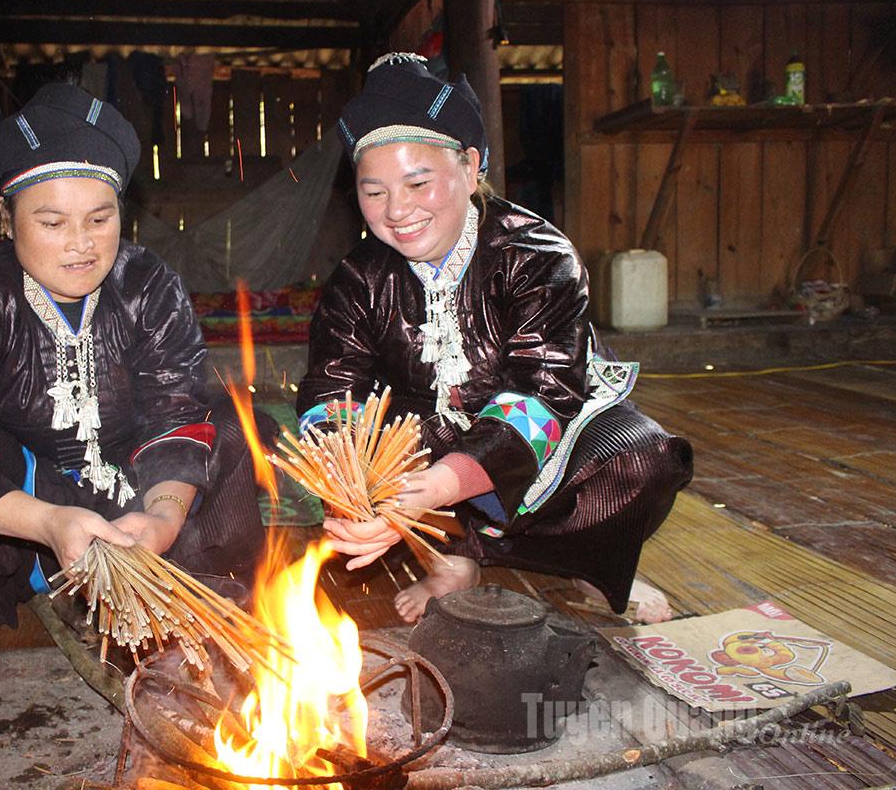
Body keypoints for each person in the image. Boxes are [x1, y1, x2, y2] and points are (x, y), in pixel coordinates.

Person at [297, 54, 693, 625]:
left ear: (470, 164)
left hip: (544, 429)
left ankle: (589, 558)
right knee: (357, 444)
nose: (398, 210)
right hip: (424, 440)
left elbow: (544, 388)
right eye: (374, 191)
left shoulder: (537, 255)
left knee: (641, 460)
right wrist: (358, 488)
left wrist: (436, 486)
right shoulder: (358, 278)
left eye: (417, 182)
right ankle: (451, 554)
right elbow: (330, 389)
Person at [0, 83, 265, 651]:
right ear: (7, 218)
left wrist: (162, 520)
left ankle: (186, 585)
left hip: (133, 484)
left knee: (230, 425)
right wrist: (47, 523)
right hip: (27, 509)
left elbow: (174, 408)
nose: (80, 245)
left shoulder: (148, 285)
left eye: (99, 218)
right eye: (52, 222)